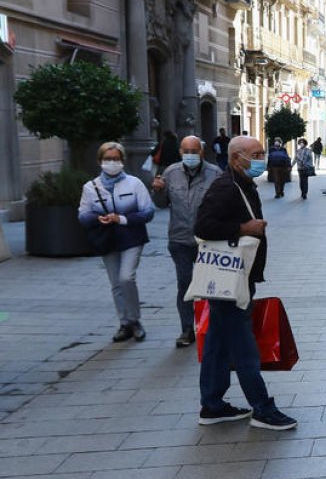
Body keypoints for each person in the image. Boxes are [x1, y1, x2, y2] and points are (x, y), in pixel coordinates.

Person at [193, 135, 297, 430]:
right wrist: (243, 228)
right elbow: (202, 226)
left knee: (216, 342)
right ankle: (262, 408)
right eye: (256, 153)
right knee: (243, 345)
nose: (262, 158)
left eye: (262, 152)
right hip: (230, 280)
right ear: (237, 158)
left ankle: (212, 405)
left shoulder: (241, 183)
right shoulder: (226, 187)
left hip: (237, 275)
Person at [79, 142, 156, 342]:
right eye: (107, 159)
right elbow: (83, 216)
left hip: (132, 237)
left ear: (122, 161)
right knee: (115, 283)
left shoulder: (134, 183)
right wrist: (98, 218)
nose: (111, 163)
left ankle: (135, 320)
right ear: (100, 161)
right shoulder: (91, 187)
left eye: (115, 159)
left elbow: (148, 212)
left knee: (126, 278)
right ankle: (124, 323)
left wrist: (121, 218)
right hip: (108, 240)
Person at [151, 135, 222, 347]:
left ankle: (209, 327)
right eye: (187, 151)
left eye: (195, 151)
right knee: (185, 284)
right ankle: (187, 329)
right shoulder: (170, 173)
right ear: (181, 152)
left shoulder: (215, 174)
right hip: (180, 239)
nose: (191, 155)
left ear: (201, 152)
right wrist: (157, 191)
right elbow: (162, 204)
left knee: (210, 286)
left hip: (207, 240)